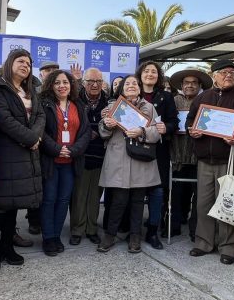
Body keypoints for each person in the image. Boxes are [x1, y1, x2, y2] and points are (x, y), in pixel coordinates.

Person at [186, 59, 234, 265]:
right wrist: (194, 131)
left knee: (229, 203)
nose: (229, 75)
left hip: (230, 160)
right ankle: (203, 242)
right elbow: (190, 120)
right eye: (224, 72)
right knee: (203, 204)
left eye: (232, 72)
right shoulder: (202, 97)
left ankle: (229, 247)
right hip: (205, 160)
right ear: (214, 75)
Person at [0, 49, 44, 270]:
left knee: (14, 204)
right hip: (7, 153)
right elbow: (4, 119)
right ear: (9, 63)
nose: (25, 65)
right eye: (20, 61)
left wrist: (34, 137)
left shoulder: (30, 90)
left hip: (27, 154)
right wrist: (30, 138)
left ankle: (7, 246)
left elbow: (40, 116)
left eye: (28, 62)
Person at [98, 75, 161, 253]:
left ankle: (135, 237)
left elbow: (157, 132)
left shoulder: (149, 107)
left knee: (138, 201)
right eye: (128, 84)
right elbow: (102, 133)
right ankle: (110, 235)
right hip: (119, 159)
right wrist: (108, 125)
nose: (132, 86)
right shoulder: (112, 107)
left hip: (141, 160)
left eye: (135, 83)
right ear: (121, 89)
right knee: (118, 201)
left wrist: (141, 131)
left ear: (140, 88)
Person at [39, 70, 91, 255]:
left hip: (70, 161)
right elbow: (40, 131)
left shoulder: (79, 105)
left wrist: (74, 150)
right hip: (51, 160)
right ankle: (48, 238)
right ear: (51, 85)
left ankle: (56, 236)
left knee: (63, 200)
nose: (62, 86)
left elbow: (86, 132)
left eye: (66, 82)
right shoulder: (44, 104)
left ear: (71, 85)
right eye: (57, 83)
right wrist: (55, 148)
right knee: (49, 200)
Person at [136, 61, 179, 249]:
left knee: (157, 191)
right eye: (146, 71)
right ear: (140, 74)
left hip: (158, 151)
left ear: (158, 76)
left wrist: (166, 127)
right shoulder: (131, 93)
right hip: (133, 150)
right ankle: (134, 230)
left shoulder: (167, 96)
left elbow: (174, 122)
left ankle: (153, 230)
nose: (150, 74)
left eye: (154, 72)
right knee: (135, 191)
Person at [167, 68, 212, 240]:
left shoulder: (206, 101)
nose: (190, 85)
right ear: (181, 85)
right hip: (176, 154)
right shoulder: (173, 101)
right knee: (175, 192)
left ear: (200, 85)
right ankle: (174, 225)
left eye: (194, 83)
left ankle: (196, 230)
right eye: (187, 83)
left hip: (198, 155)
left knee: (199, 195)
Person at [69, 67, 108, 245]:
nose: (94, 84)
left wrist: (98, 132)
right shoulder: (75, 101)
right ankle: (77, 230)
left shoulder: (109, 103)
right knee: (79, 195)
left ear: (102, 83)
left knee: (95, 196)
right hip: (81, 155)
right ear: (83, 83)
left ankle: (92, 229)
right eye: (90, 81)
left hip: (101, 155)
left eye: (98, 81)